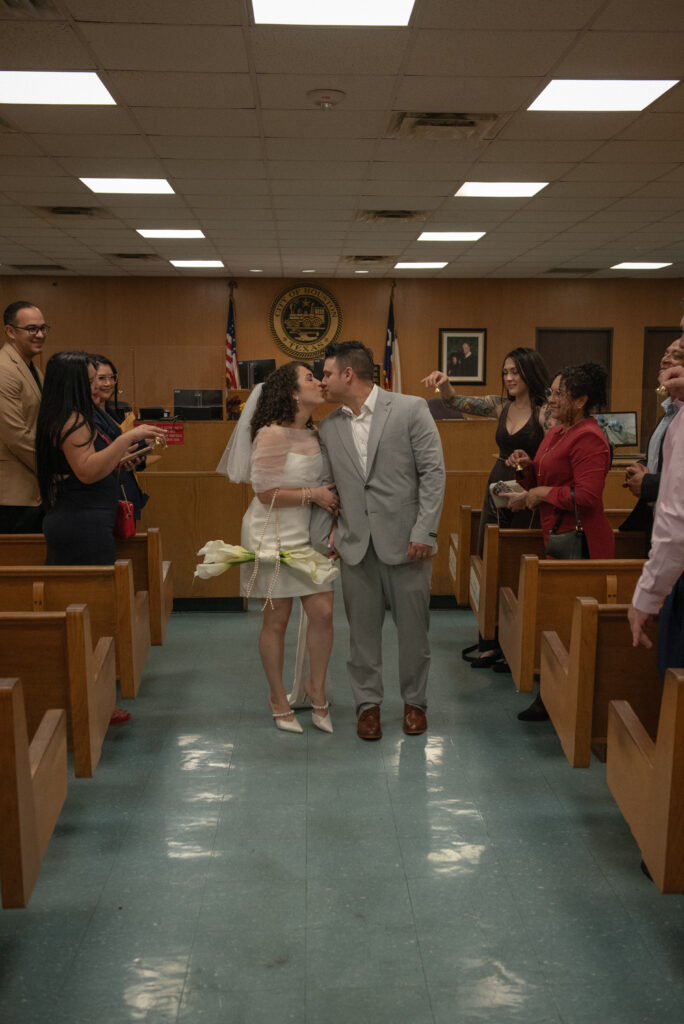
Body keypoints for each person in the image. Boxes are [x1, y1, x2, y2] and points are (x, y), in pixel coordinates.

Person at [313, 340, 445, 741]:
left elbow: (433, 474)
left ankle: (414, 703)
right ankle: (367, 705)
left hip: (407, 544)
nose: (323, 382)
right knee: (362, 635)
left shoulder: (409, 409)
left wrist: (425, 531)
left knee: (413, 634)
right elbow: (325, 484)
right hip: (355, 545)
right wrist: (327, 535)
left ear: (348, 375)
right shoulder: (329, 425)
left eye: (328, 374)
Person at [225, 362, 339, 734]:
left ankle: (316, 689)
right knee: (277, 618)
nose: (320, 382)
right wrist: (315, 495)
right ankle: (277, 697)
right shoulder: (271, 435)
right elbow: (265, 493)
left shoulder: (316, 431)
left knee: (322, 611)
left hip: (309, 532)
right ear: (292, 392)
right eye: (310, 378)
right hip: (272, 530)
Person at [422, 347, 552, 668]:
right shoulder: (501, 406)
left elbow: (555, 454)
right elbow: (456, 402)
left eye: (515, 372)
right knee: (490, 559)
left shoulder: (546, 412)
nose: (508, 378)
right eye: (505, 372)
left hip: (528, 492)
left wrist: (530, 462)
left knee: (518, 564)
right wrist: (445, 383)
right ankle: (490, 640)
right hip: (497, 487)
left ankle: (516, 643)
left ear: (529, 374)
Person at [506, 362, 614, 720]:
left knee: (568, 623)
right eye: (551, 392)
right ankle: (551, 695)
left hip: (581, 544)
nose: (550, 399)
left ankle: (561, 699)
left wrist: (540, 492)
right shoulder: (556, 432)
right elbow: (541, 473)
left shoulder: (590, 438)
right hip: (556, 537)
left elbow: (587, 497)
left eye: (558, 393)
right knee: (554, 620)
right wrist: (525, 467)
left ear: (581, 400)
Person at [628, 330, 684, 674]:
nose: (667, 361)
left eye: (677, 354)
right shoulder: (672, 415)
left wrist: (647, 595)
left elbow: (677, 515)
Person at [620, 331, 684, 545]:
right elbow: (659, 462)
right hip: (655, 521)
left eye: (676, 355)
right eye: (665, 353)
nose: (665, 359)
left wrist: (647, 483)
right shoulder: (666, 415)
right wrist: (639, 467)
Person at [0, 300, 47, 533]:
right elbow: (15, 435)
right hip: (12, 496)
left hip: (32, 490)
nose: (39, 335)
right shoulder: (4, 370)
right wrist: (51, 472)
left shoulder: (33, 369)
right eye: (31, 329)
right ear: (10, 331)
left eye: (43, 328)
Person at [88, 354, 149, 521]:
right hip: (106, 492)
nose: (108, 383)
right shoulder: (86, 417)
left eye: (112, 378)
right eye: (101, 378)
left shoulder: (118, 412)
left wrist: (138, 455)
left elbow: (136, 445)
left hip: (127, 487)